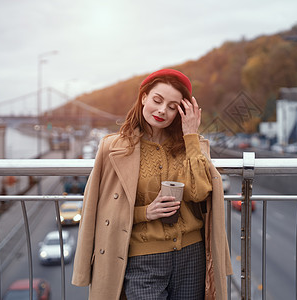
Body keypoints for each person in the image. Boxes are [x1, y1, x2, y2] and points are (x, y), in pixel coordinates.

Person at [72, 69, 232, 300]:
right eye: (157, 100)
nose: (162, 111)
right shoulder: (112, 148)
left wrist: (190, 136)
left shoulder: (191, 147)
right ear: (144, 97)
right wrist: (145, 212)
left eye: (172, 106)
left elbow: (199, 194)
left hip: (191, 256)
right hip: (142, 260)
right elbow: (98, 211)